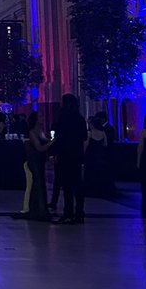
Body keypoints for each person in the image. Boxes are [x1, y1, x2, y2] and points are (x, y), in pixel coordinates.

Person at [50, 94, 87, 224]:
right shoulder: (80, 119)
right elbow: (84, 136)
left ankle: (68, 212)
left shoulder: (62, 118)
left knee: (67, 186)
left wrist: (55, 154)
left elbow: (58, 137)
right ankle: (80, 213)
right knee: (78, 185)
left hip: (65, 155)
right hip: (77, 155)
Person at [12, 112, 51, 220]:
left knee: (39, 184)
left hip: (39, 161)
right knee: (35, 184)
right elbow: (39, 147)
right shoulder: (32, 132)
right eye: (40, 117)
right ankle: (34, 209)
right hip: (33, 162)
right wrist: (51, 144)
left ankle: (40, 208)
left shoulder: (40, 131)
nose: (43, 118)